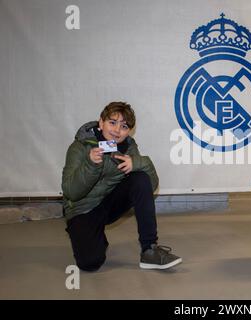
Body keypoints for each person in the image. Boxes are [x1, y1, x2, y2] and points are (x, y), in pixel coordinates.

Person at [62, 101, 182, 272]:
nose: (117, 130)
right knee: (90, 263)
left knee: (140, 178)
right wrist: (90, 165)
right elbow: (71, 193)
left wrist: (139, 163)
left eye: (124, 126)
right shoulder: (80, 147)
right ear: (101, 122)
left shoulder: (128, 147)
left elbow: (149, 186)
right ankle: (91, 235)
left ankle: (149, 250)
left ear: (129, 131)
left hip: (109, 205)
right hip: (83, 209)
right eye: (112, 123)